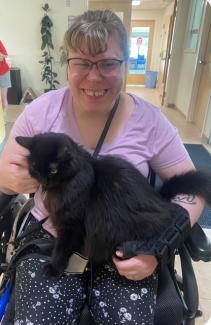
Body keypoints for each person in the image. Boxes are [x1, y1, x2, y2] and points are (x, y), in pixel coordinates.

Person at [0, 10, 205, 325]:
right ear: (67, 64)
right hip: (53, 238)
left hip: (121, 243)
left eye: (108, 63)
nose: (94, 78)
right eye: (82, 62)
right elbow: (4, 177)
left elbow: (193, 191)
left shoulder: (150, 122)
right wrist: (11, 179)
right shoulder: (41, 112)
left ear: (125, 63)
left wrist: (158, 248)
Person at [0, 40, 11, 110]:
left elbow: (5, 55)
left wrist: (0, 55)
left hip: (3, 72)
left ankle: (4, 119)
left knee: (3, 98)